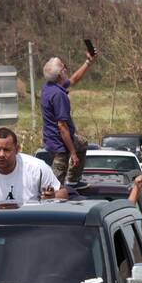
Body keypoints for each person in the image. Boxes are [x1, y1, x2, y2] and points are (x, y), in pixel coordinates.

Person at [0, 127, 66, 204]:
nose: (1, 155)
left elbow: (63, 193)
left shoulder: (37, 168)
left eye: (7, 150)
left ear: (17, 149)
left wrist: (53, 197)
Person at [41, 47, 97, 186]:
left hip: (54, 138)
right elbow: (62, 126)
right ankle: (55, 192)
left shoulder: (50, 86)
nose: (66, 68)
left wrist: (88, 62)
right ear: (60, 73)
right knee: (56, 180)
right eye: (63, 67)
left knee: (82, 143)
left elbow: (73, 79)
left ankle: (72, 180)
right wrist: (72, 152)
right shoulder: (59, 95)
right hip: (59, 143)